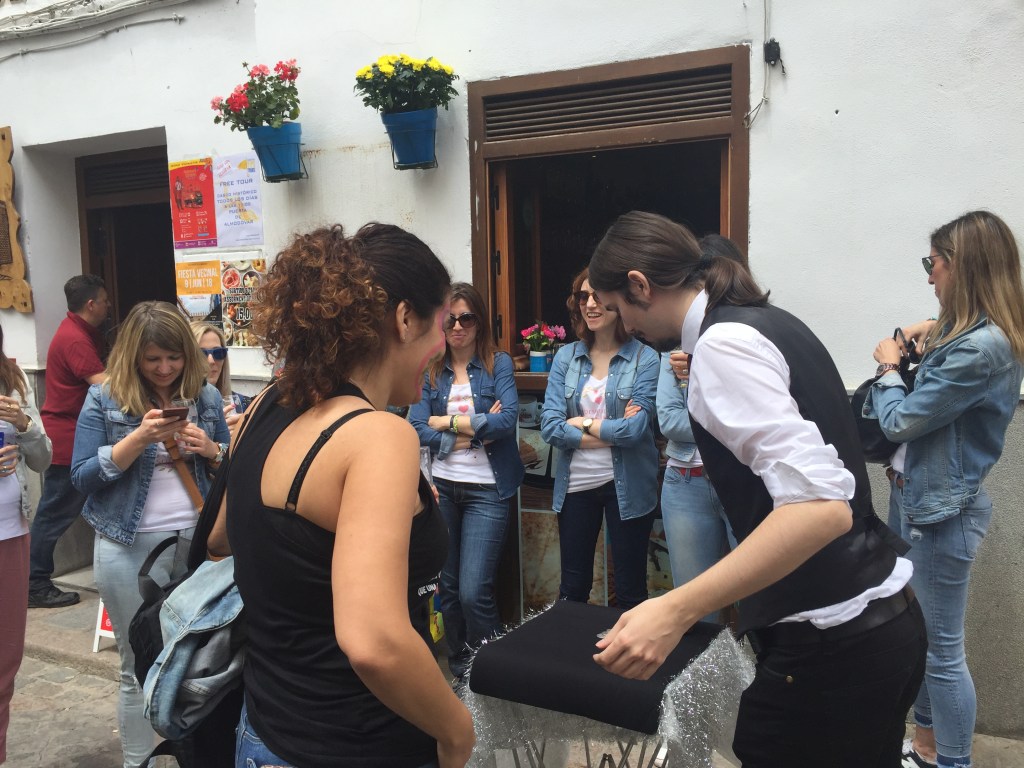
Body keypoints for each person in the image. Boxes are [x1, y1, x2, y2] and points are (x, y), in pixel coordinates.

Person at [587, 211, 927, 768]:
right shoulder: (765, 321)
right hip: (878, 628)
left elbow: (822, 509)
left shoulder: (722, 345)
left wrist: (673, 609)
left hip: (831, 648)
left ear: (640, 286)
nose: (624, 326)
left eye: (617, 308)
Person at [205, 224, 475, 768]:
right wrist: (457, 732)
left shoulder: (267, 404)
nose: (443, 343)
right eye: (442, 323)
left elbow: (218, 541)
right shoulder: (378, 436)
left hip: (263, 734)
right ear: (404, 319)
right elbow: (374, 642)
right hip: (360, 744)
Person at [865, 211, 1024, 768]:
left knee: (941, 653)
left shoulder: (980, 349)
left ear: (963, 266)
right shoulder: (969, 336)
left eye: (933, 263)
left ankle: (953, 762)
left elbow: (901, 421)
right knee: (923, 640)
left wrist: (889, 370)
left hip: (941, 513)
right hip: (919, 499)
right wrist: (926, 330)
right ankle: (928, 748)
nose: (929, 274)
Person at [71, 301, 230, 768]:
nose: (164, 369)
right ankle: (138, 762)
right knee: (135, 664)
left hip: (198, 543)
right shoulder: (105, 399)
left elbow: (230, 469)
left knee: (199, 658)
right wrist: (137, 439)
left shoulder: (205, 397)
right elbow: (82, 476)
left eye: (174, 357)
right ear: (133, 357)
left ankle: (197, 756)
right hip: (127, 544)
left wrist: (211, 449)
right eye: (153, 359)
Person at [409, 282, 524, 682]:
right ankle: (461, 670)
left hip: (487, 491)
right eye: (450, 319)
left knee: (475, 592)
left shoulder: (498, 364)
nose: (458, 326)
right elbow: (415, 426)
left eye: (467, 318)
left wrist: (445, 421)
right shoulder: (430, 369)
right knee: (450, 590)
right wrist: (474, 431)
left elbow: (507, 420)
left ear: (480, 322)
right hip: (442, 489)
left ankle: (492, 674)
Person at [540, 267, 660, 610]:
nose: (590, 304)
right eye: (583, 297)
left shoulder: (645, 358)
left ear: (618, 302)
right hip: (576, 484)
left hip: (628, 486)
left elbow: (636, 431)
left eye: (598, 296)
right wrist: (612, 431)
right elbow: (550, 427)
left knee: (630, 591)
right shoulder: (566, 357)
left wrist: (583, 423)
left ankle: (625, 647)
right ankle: (572, 646)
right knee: (572, 589)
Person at [657, 236, 742, 618]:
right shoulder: (675, 348)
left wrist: (693, 380)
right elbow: (669, 421)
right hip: (685, 483)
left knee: (759, 605)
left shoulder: (747, 340)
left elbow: (748, 419)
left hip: (740, 479)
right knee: (695, 610)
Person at [29, 274, 109, 608]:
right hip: (68, 439)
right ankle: (33, 584)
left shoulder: (78, 331)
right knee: (54, 515)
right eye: (104, 301)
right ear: (91, 304)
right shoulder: (74, 337)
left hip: (76, 436)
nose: (108, 306)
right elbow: (104, 385)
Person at [0, 323, 52, 764]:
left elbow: (43, 458)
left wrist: (25, 424)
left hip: (10, 532)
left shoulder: (13, 383)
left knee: (5, 660)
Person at [191, 321, 252, 434]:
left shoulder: (243, 404)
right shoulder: (176, 409)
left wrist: (244, 435)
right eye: (201, 354)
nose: (211, 361)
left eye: (218, 353)